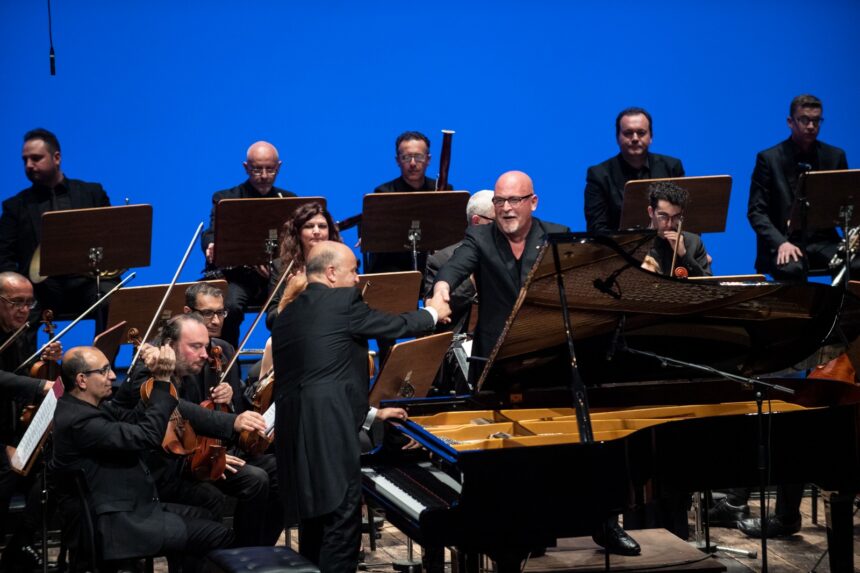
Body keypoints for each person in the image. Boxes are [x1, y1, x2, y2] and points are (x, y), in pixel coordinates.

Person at [272, 241, 451, 572]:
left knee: (314, 526)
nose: (357, 279)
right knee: (342, 525)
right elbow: (392, 326)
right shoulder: (341, 301)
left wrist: (373, 414)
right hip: (330, 434)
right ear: (330, 273)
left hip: (294, 437)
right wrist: (433, 313)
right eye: (353, 270)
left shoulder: (286, 316)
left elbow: (322, 378)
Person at [51, 345, 234, 572]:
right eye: (104, 370)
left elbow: (136, 418)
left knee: (206, 515)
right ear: (81, 380)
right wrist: (163, 381)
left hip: (132, 506)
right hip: (119, 524)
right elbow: (147, 436)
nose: (111, 375)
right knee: (220, 535)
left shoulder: (87, 408)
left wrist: (152, 376)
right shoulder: (81, 422)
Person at [111, 314, 269, 536]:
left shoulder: (191, 368)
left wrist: (227, 402)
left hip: (188, 456)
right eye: (196, 347)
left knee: (268, 474)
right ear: (169, 345)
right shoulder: (147, 371)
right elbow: (178, 408)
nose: (204, 354)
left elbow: (195, 417)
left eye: (205, 346)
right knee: (224, 492)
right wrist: (233, 422)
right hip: (152, 470)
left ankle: (247, 554)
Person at [183, 282, 284, 545]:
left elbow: (238, 413)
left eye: (220, 312)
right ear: (187, 311)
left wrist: (232, 401)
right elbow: (176, 415)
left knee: (284, 469)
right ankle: (242, 551)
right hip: (192, 454)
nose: (216, 320)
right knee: (256, 479)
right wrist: (211, 453)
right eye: (207, 314)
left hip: (226, 448)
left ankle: (261, 549)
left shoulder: (225, 350)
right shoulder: (178, 356)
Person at [0, 129, 113, 334]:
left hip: (86, 282)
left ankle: (103, 364)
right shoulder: (15, 206)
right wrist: (17, 287)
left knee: (111, 299)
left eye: (36, 158)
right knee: (18, 305)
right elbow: (4, 256)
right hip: (40, 289)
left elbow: (111, 239)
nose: (29, 165)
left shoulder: (92, 194)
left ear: (57, 158)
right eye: (25, 160)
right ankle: (26, 367)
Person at [748, 94, 856, 281]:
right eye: (804, 120)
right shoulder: (768, 159)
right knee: (791, 269)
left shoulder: (835, 156)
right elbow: (756, 212)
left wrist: (853, 240)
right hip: (786, 240)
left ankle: (840, 310)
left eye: (816, 121)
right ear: (791, 122)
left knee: (855, 264)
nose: (811, 126)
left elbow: (846, 205)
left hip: (824, 241)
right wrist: (780, 243)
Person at [201, 141, 297, 347]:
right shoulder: (226, 198)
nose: (263, 175)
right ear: (246, 168)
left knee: (301, 303)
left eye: (270, 169)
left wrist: (273, 260)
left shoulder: (289, 199)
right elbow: (211, 232)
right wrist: (211, 244)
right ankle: (226, 364)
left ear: (279, 167)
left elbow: (293, 240)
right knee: (230, 307)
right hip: (242, 277)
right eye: (256, 169)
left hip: (279, 276)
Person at [584, 108, 685, 233]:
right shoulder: (599, 175)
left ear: (651, 137)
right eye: (628, 133)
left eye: (641, 132)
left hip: (667, 246)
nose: (635, 138)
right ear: (617, 138)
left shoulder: (672, 167)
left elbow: (685, 217)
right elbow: (596, 229)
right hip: (620, 249)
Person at [368, 131, 454, 274]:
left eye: (419, 157)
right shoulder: (383, 193)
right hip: (395, 267)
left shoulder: (444, 190)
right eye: (406, 157)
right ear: (397, 160)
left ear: (428, 159)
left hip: (435, 265)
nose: (413, 163)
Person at [265, 202, 342, 329]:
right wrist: (289, 298)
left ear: (330, 231)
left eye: (322, 226)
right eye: (309, 226)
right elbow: (271, 321)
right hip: (295, 330)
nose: (316, 231)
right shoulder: (282, 266)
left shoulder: (342, 263)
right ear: (298, 232)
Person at [640, 182, 712, 277]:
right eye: (663, 216)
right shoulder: (634, 245)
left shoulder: (694, 242)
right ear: (651, 212)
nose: (669, 224)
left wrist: (684, 255)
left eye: (676, 217)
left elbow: (709, 286)